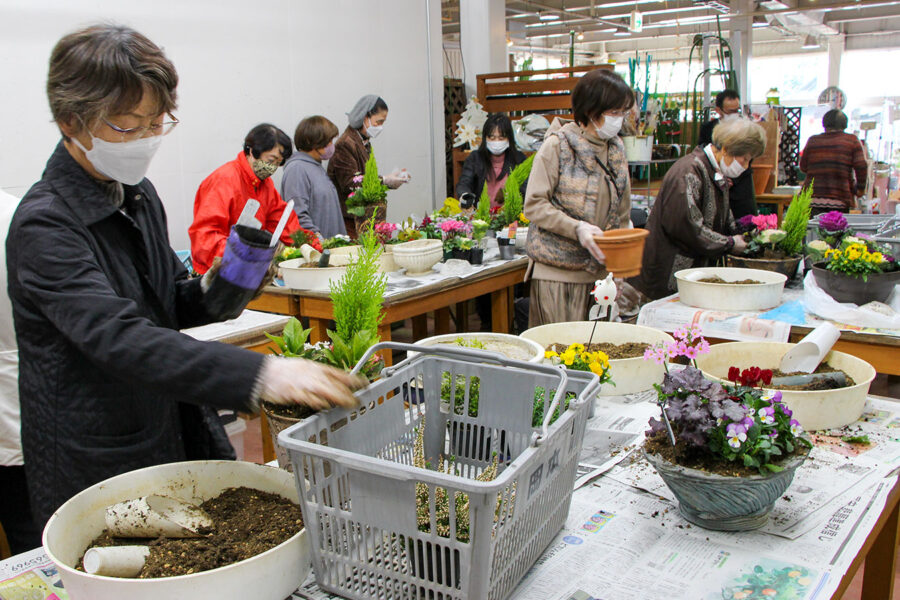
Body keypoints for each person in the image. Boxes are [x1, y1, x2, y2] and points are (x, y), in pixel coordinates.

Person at [6, 24, 361, 528]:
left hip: (162, 419)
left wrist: (232, 278)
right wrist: (264, 373)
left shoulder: (137, 194)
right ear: (71, 121)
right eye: (130, 126)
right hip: (96, 450)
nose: (149, 139)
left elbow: (172, 301)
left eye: (158, 123)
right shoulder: (45, 224)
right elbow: (120, 338)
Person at [523, 69, 634, 326]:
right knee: (561, 352)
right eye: (614, 112)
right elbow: (535, 204)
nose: (619, 120)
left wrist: (621, 257)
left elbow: (622, 212)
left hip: (601, 275)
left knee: (597, 352)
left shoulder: (616, 149)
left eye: (623, 112)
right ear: (591, 110)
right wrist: (577, 228)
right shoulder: (557, 146)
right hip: (559, 274)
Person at [632, 117, 766, 300]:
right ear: (726, 149)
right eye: (744, 159)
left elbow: (726, 219)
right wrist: (730, 243)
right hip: (668, 275)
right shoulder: (688, 171)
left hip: (693, 275)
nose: (745, 166)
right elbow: (687, 227)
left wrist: (748, 235)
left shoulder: (716, 173)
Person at [189, 124, 300, 274]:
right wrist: (249, 257)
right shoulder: (224, 180)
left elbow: (283, 222)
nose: (272, 167)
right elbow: (206, 238)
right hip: (215, 272)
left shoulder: (265, 185)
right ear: (252, 151)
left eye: (277, 163)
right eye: (271, 160)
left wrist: (310, 244)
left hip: (246, 269)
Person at [0, 190, 41, 554]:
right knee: (29, 529)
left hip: (17, 397)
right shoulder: (18, 213)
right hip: (22, 404)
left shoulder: (18, 214)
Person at [327, 95, 408, 234]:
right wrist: (384, 180)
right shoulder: (346, 144)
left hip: (362, 218)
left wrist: (389, 179)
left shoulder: (362, 141)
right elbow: (350, 183)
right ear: (364, 117)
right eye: (378, 122)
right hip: (350, 221)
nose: (380, 127)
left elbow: (363, 177)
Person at [281, 116, 345, 239]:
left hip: (329, 250)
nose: (332, 146)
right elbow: (297, 213)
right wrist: (317, 241)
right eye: (329, 141)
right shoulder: (297, 169)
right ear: (314, 142)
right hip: (316, 252)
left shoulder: (316, 167)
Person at [698, 89, 756, 220]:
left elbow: (749, 157)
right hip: (715, 186)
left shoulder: (746, 128)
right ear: (718, 110)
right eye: (730, 111)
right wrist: (718, 177)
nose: (734, 114)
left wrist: (733, 179)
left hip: (741, 187)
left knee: (746, 224)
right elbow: (703, 154)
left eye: (737, 110)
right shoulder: (708, 129)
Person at [799, 109, 868, 214]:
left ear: (824, 123)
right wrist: (860, 189)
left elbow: (803, 167)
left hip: (812, 198)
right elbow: (862, 166)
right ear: (845, 124)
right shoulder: (851, 140)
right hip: (840, 198)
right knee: (836, 228)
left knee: (812, 229)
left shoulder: (813, 140)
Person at [455, 113, 527, 208]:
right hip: (480, 216)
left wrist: (508, 193)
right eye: (492, 138)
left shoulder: (519, 159)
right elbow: (464, 183)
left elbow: (526, 188)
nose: (496, 142)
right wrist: (465, 195)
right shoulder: (475, 158)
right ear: (485, 138)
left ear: (509, 138)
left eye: (501, 138)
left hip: (511, 216)